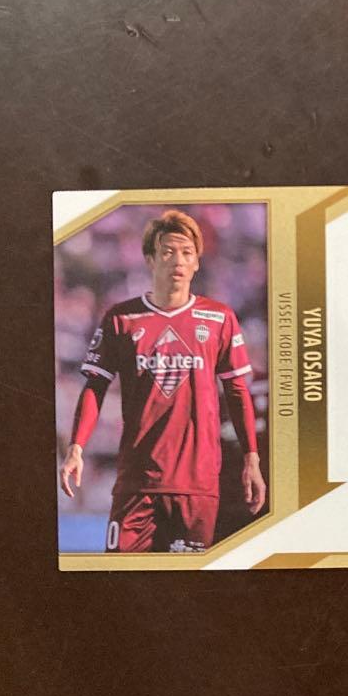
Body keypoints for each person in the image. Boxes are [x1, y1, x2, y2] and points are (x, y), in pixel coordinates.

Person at [59, 209, 266, 552]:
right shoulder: (121, 319)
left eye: (187, 253)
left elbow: (237, 390)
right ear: (150, 260)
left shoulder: (219, 319)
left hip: (196, 486)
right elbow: (95, 385)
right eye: (168, 251)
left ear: (197, 262)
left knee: (186, 582)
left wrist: (251, 459)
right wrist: (76, 447)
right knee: (121, 577)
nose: (178, 261)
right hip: (136, 484)